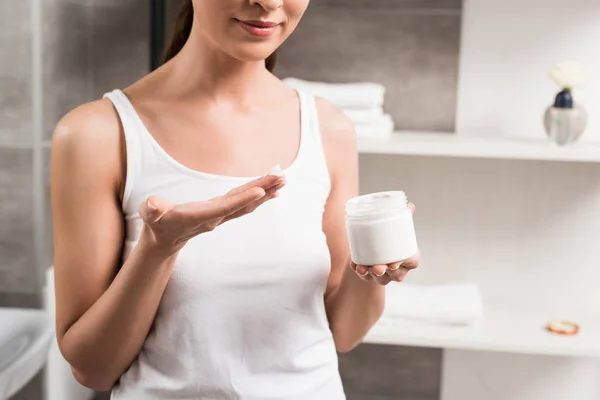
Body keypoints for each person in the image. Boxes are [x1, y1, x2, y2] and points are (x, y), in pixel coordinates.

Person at [50, 0, 421, 398]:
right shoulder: (98, 135)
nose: (269, 3)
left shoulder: (329, 128)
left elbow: (343, 333)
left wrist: (370, 275)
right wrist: (159, 249)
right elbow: (92, 369)